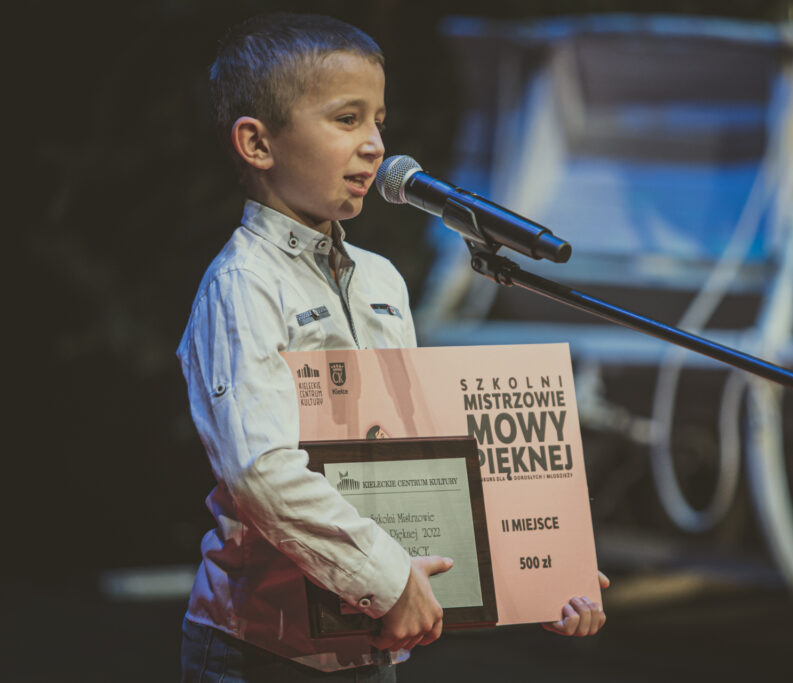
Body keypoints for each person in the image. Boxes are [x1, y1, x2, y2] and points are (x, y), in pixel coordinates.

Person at [178, 12, 607, 682]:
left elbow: (423, 457)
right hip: (263, 648)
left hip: (369, 639)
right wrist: (386, 577)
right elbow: (261, 473)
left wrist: (544, 564)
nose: (376, 144)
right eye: (347, 119)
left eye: (379, 120)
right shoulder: (243, 284)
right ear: (257, 143)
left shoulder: (380, 279)